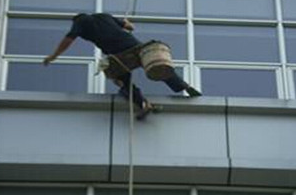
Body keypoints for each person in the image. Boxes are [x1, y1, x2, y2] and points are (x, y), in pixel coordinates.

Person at [44, 13, 201, 118]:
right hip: (134, 46)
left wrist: (54, 56)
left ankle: (143, 103)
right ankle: (184, 86)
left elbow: (69, 39)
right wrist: (126, 23)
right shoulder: (104, 16)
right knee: (158, 66)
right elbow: (130, 27)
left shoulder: (80, 21)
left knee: (121, 81)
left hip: (117, 55)